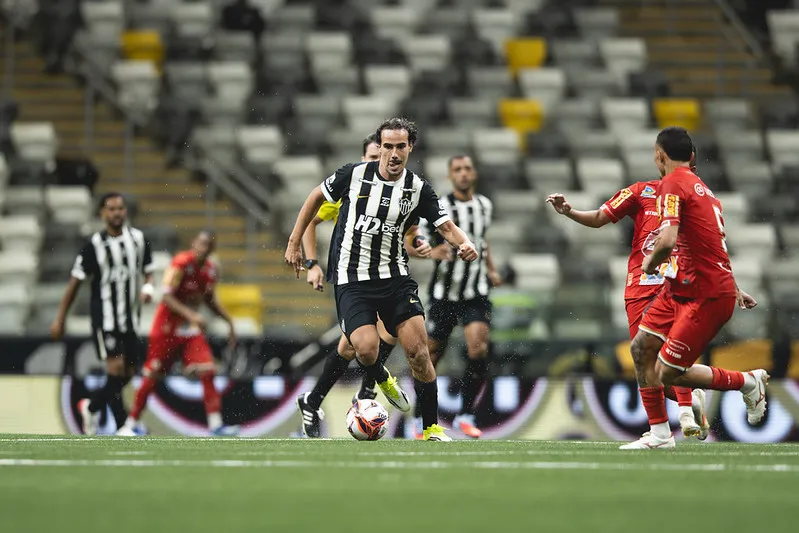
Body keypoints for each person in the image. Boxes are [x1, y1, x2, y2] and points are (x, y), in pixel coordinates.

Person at [285, 117, 478, 442]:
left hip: (395, 279)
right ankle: (379, 380)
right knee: (363, 346)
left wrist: (464, 242)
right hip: (353, 279)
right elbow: (314, 201)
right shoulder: (353, 176)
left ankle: (429, 428)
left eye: (399, 146)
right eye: (386, 146)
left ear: (409, 148)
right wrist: (300, 250)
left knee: (418, 352)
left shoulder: (417, 189)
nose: (392, 153)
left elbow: (442, 227)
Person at [620, 127, 768, 450]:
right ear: (691, 156)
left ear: (659, 155)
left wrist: (650, 263)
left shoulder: (671, 184)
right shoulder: (704, 190)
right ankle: (660, 434)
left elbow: (668, 239)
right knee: (641, 349)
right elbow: (713, 246)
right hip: (684, 287)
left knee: (666, 372)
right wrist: (735, 287)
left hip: (704, 294)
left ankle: (748, 381)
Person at [545, 149, 705, 439]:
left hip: (675, 285)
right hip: (639, 288)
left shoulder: (696, 198)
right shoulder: (640, 191)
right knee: (647, 364)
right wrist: (569, 211)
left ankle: (681, 415)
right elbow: (598, 217)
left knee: (673, 353)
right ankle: (691, 400)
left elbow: (711, 246)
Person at [295, 133, 432, 438]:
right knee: (364, 341)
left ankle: (318, 399)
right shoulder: (350, 190)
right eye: (372, 158)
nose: (379, 162)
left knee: (356, 343)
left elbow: (407, 233)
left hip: (385, 276)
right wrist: (311, 264)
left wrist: (418, 243)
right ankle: (366, 391)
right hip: (353, 278)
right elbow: (310, 222)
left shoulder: (401, 193)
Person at [410, 154, 502, 439]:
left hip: (476, 292)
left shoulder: (484, 205)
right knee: (429, 356)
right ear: (450, 176)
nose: (463, 174)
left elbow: (482, 240)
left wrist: (492, 269)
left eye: (467, 169)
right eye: (457, 170)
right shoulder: (442, 207)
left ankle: (465, 414)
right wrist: (430, 250)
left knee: (479, 349)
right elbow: (416, 238)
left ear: (474, 174)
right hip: (444, 294)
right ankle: (419, 417)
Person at [117, 230, 240, 437]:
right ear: (193, 243)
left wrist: (229, 322)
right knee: (152, 376)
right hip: (166, 328)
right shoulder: (180, 263)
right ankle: (131, 423)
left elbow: (209, 299)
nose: (204, 248)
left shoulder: (210, 270)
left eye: (208, 245)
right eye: (201, 243)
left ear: (212, 249)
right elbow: (165, 296)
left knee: (208, 370)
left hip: (190, 331)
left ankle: (215, 424)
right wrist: (192, 315)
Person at [51, 192, 155, 435]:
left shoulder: (139, 239)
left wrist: (149, 287)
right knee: (116, 369)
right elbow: (74, 283)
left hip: (130, 319)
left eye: (120, 208)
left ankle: (92, 406)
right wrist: (60, 318)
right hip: (105, 318)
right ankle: (122, 426)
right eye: (111, 209)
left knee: (128, 373)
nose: (117, 213)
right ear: (102, 213)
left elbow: (149, 271)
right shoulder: (93, 246)